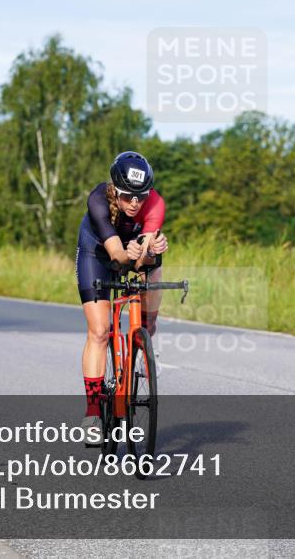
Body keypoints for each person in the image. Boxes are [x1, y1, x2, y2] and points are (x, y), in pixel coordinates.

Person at [75, 151, 169, 444]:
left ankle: (145, 332)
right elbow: (116, 256)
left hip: (130, 250)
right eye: (128, 196)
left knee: (154, 265)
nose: (135, 203)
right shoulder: (98, 200)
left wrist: (151, 252)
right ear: (115, 189)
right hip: (98, 252)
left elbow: (140, 262)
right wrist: (129, 255)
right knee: (100, 331)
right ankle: (92, 413)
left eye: (141, 196)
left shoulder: (155, 204)